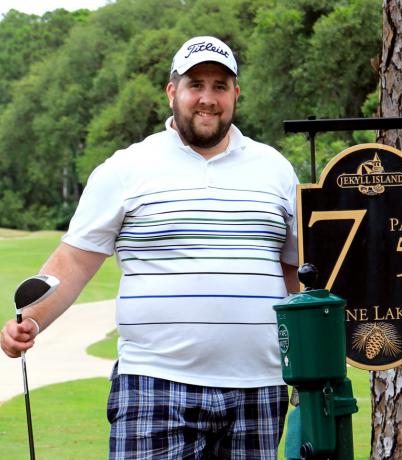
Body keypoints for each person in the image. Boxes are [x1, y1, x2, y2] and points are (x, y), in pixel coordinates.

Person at [1, 36, 299, 459]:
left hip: (258, 388)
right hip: (154, 384)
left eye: (220, 85)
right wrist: (30, 320)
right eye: (196, 84)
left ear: (236, 93)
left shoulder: (276, 169)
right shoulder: (126, 168)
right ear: (172, 91)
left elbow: (293, 273)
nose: (207, 99)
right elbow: (74, 259)